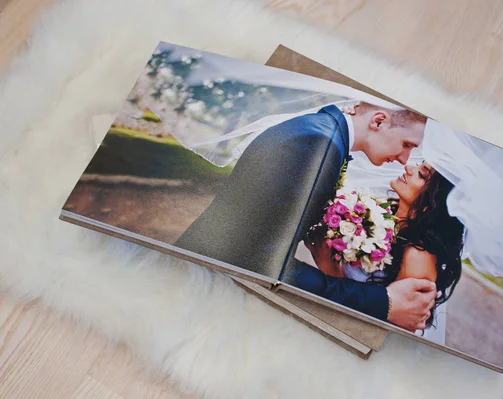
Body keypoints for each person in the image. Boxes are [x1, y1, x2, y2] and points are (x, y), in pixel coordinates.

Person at [175, 101, 434, 331]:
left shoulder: (323, 134)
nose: (404, 159)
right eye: (407, 144)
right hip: (197, 285)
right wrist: (382, 302)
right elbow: (260, 260)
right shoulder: (317, 144)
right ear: (378, 121)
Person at [306, 161, 464, 331]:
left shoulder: (417, 257)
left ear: (431, 204)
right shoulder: (384, 218)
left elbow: (388, 329)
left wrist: (329, 268)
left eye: (421, 174)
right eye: (418, 165)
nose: (408, 168)